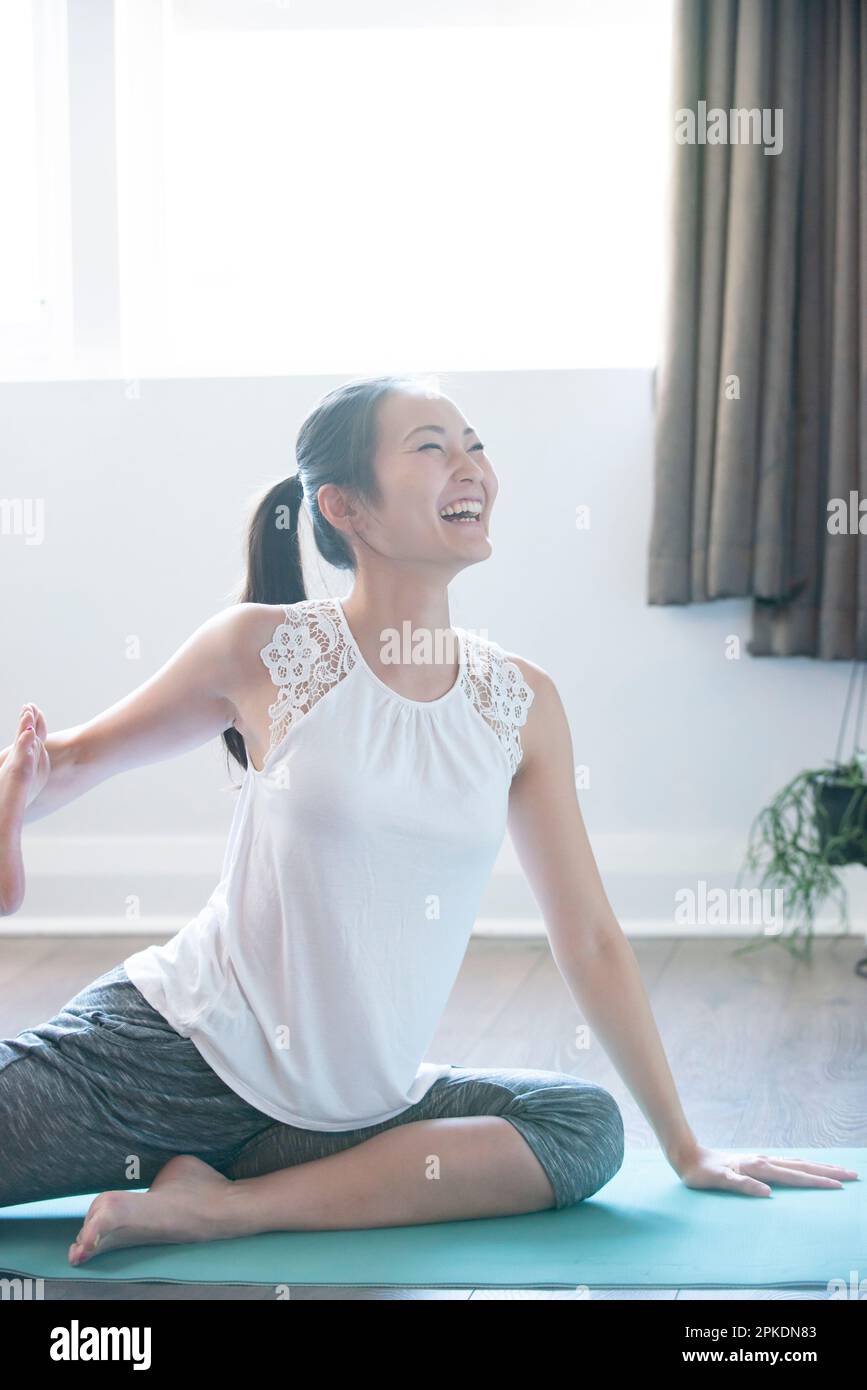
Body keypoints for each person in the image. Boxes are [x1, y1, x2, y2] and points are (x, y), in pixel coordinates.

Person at [0, 374, 856, 1268]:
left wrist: (685, 1146)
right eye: (430, 447)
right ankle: (224, 1186)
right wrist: (23, 790)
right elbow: (70, 761)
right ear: (346, 508)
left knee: (580, 1128)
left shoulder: (518, 702)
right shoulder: (268, 650)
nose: (470, 466)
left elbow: (591, 937)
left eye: (474, 443)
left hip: (352, 1111)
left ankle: (225, 1208)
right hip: (165, 1060)